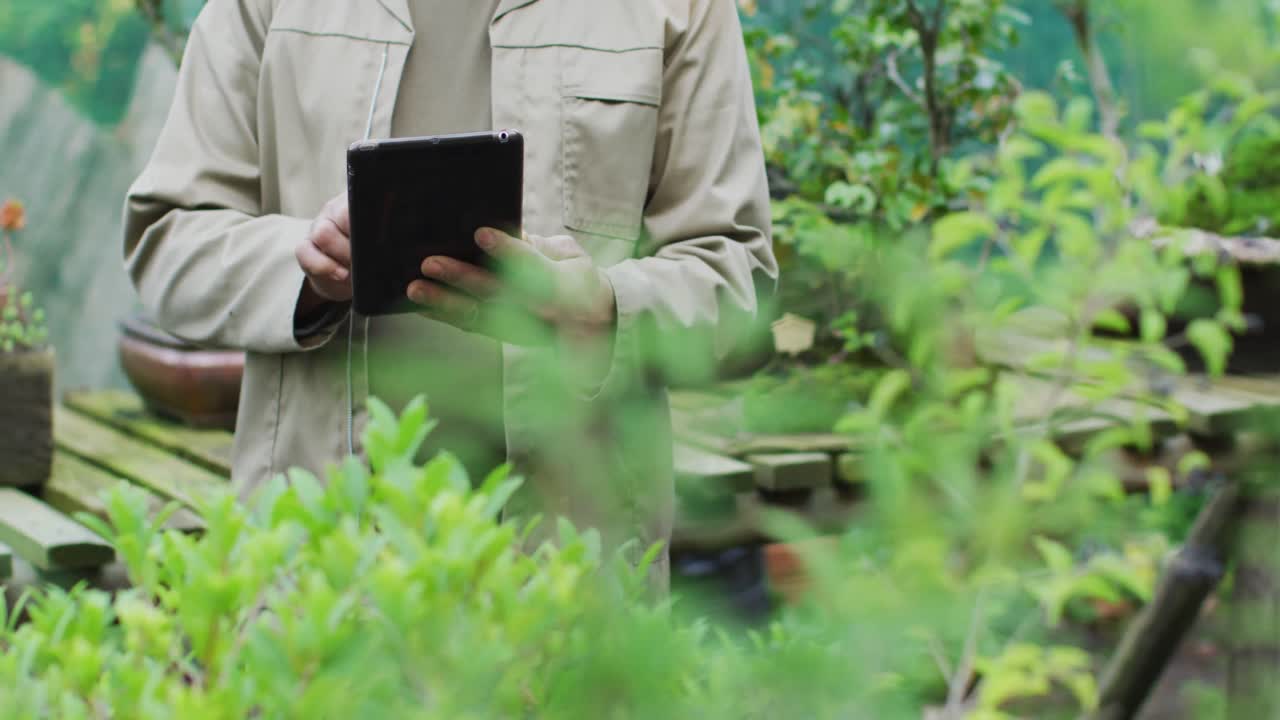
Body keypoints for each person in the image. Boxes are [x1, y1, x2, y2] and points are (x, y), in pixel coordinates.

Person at [123, 0, 776, 590]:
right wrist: (305, 267)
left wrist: (605, 311)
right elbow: (170, 238)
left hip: (572, 576)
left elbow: (741, 283)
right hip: (321, 576)